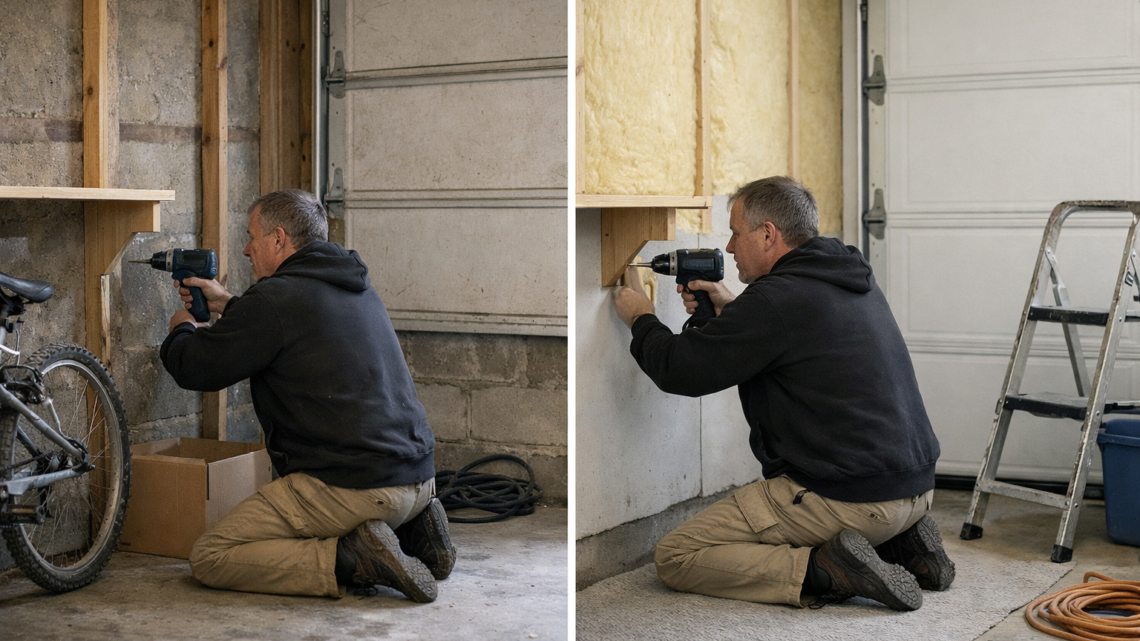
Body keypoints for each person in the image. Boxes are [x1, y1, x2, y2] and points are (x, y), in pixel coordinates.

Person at [612, 176, 952, 611]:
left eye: (736, 233)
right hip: (915, 489)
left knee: (678, 555)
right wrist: (733, 308)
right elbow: (788, 333)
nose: (730, 247)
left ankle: (826, 569)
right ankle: (901, 544)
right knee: (871, 512)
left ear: (768, 234)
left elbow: (680, 370)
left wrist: (641, 317)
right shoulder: (846, 275)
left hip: (849, 498)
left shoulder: (776, 300)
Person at [160, 189, 456, 601]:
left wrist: (182, 329)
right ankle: (411, 529)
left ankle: (353, 558)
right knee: (381, 500)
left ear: (279, 238)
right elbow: (282, 322)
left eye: (252, 237)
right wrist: (228, 303)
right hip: (418, 477)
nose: (246, 250)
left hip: (356, 487)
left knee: (212, 555)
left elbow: (196, 368)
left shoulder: (274, 299)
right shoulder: (353, 284)